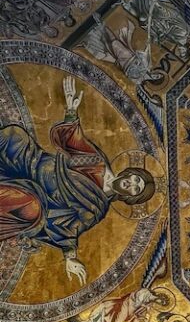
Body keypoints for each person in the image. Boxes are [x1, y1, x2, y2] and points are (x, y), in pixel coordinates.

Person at [0, 76, 155, 284]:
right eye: (135, 179)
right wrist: (71, 110)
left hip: (39, 199)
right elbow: (74, 142)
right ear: (129, 173)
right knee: (15, 135)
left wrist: (70, 257)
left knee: (28, 206)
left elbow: (70, 227)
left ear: (130, 197)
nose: (132, 184)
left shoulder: (96, 208)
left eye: (136, 189)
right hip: (33, 163)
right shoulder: (98, 163)